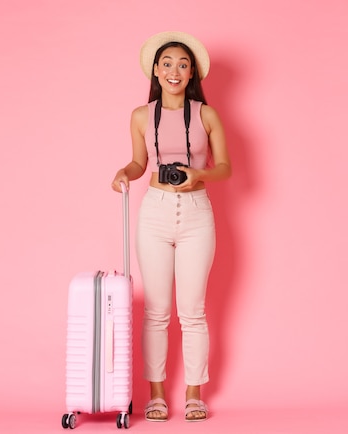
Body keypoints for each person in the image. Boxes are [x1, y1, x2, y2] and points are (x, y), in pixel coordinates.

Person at [111, 31, 231, 422]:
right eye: (167, 64)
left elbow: (226, 167)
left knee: (193, 312)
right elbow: (138, 163)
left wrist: (199, 176)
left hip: (197, 212)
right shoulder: (142, 115)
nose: (174, 70)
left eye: (182, 64)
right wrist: (123, 174)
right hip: (155, 212)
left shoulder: (206, 114)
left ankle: (195, 394)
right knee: (157, 312)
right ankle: (157, 394)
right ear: (156, 72)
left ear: (192, 71)